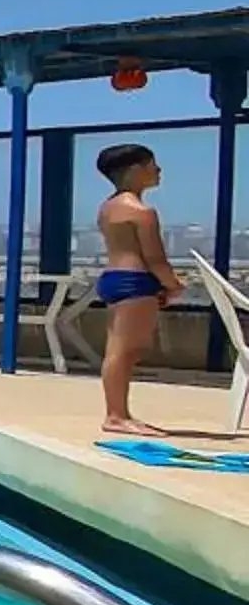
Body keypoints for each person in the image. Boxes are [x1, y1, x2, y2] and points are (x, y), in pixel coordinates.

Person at [94, 141, 183, 435]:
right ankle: (116, 416)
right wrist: (173, 285)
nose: (158, 170)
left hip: (114, 278)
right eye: (151, 165)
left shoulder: (108, 207)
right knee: (125, 350)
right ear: (134, 170)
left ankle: (118, 413)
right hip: (136, 281)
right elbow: (155, 258)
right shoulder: (142, 211)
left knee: (118, 350)